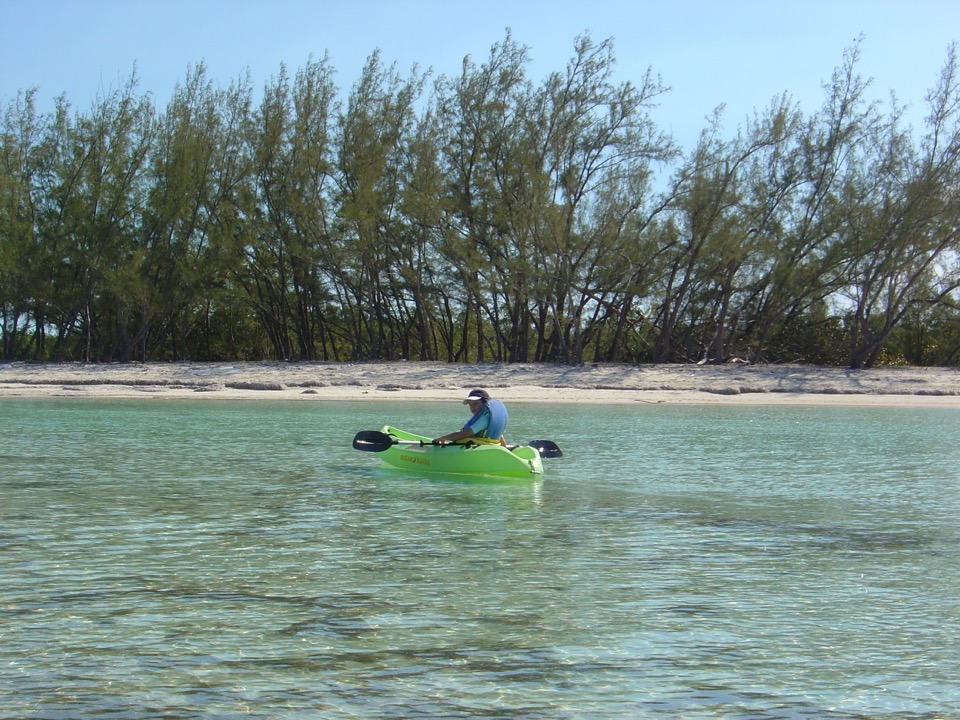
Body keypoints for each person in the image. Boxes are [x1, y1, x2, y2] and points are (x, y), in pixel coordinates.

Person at [432, 388, 508, 447]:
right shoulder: (491, 418)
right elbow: (500, 437)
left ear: (485, 403)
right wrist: (505, 448)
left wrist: (444, 438)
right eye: (470, 405)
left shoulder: (484, 420)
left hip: (481, 450)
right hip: (488, 446)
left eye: (476, 403)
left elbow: (464, 434)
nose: (473, 407)